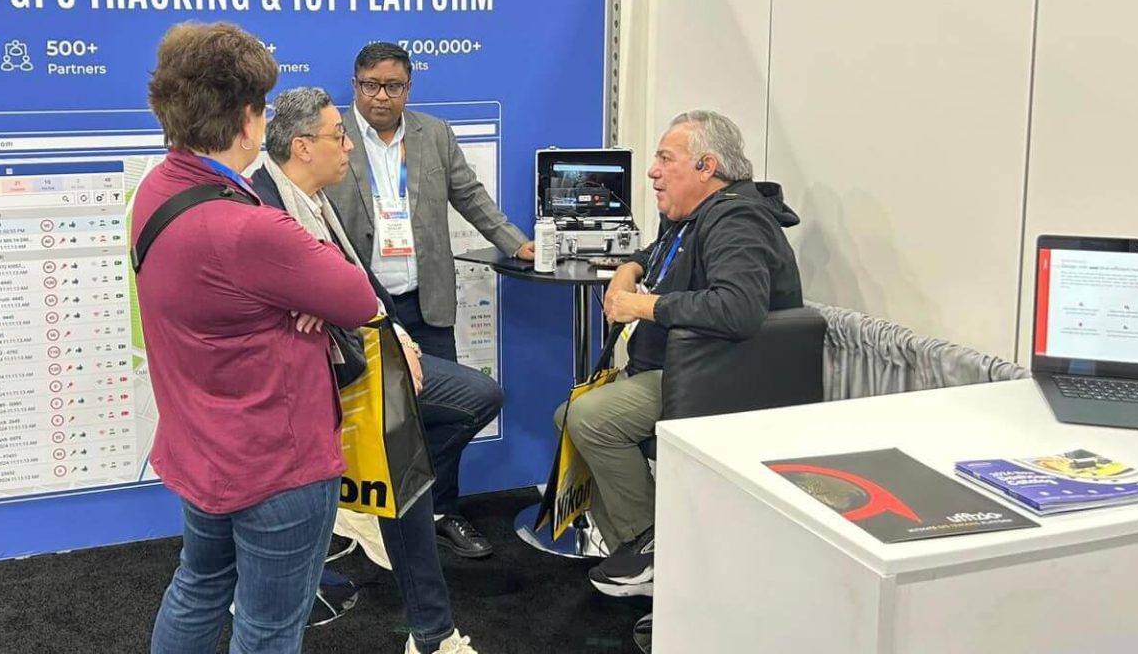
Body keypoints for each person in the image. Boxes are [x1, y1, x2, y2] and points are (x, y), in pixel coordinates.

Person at [134, 23, 379, 654]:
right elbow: (357, 298)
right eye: (263, 107)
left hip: (202, 446)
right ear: (248, 120)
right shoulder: (250, 230)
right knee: (268, 628)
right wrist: (303, 296)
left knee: (198, 585)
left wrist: (297, 295)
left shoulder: (157, 189)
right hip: (277, 463)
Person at [253, 87, 486, 654]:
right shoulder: (259, 203)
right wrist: (313, 298)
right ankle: (432, 634)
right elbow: (276, 297)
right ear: (302, 146)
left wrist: (397, 335)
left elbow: (358, 281)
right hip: (315, 381)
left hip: (368, 353)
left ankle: (361, 502)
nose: (349, 147)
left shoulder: (316, 199)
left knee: (476, 399)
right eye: (338, 136)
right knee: (402, 472)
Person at [557, 110, 803, 599]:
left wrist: (641, 305)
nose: (653, 171)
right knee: (569, 417)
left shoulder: (738, 219)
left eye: (666, 159)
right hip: (678, 368)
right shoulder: (690, 219)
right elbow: (656, 256)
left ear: (707, 167)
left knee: (589, 418)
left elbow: (737, 308)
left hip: (716, 377)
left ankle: (652, 547)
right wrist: (628, 269)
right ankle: (638, 545)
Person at [325, 42, 527, 557]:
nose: (382, 96)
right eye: (371, 85)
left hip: (426, 300)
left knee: (449, 411)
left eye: (393, 86)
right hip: (363, 310)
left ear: (409, 88)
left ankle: (440, 512)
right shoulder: (331, 138)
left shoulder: (433, 134)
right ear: (355, 85)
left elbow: (470, 196)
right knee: (367, 418)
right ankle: (368, 518)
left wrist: (515, 243)